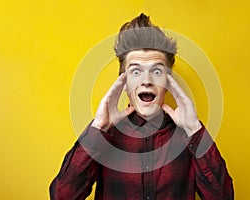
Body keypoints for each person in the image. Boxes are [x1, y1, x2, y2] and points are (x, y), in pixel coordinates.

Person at [49, 13, 234, 200]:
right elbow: (62, 196)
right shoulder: (105, 136)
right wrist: (99, 128)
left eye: (156, 71)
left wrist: (195, 130)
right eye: (136, 71)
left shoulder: (189, 135)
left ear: (168, 82)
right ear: (124, 82)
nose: (146, 81)